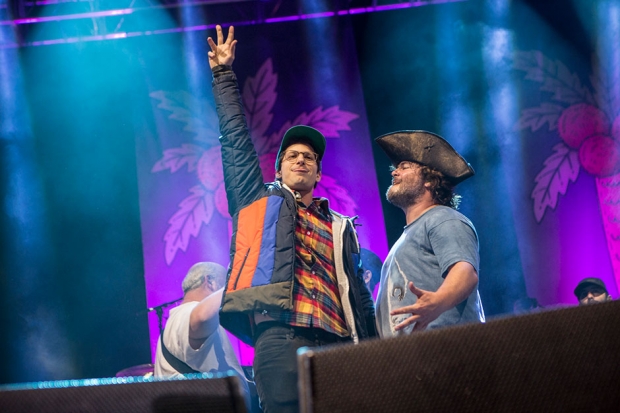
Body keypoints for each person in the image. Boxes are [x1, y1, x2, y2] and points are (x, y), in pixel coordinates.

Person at [207, 25, 376, 413]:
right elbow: (235, 143)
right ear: (279, 170)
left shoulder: (339, 226)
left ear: (318, 174)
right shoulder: (257, 201)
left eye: (310, 158)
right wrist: (223, 76)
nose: (301, 159)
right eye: (292, 156)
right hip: (281, 335)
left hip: (336, 339)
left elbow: (358, 293)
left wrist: (373, 345)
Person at [374, 130, 485, 337]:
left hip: (447, 350)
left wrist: (437, 301)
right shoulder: (406, 237)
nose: (394, 173)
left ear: (429, 181)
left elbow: (465, 271)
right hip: (414, 357)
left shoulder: (443, 218)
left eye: (404, 167)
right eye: (395, 168)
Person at [154, 262, 249, 401]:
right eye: (224, 283)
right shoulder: (187, 310)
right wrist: (235, 282)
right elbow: (201, 317)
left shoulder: (176, 317)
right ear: (209, 281)